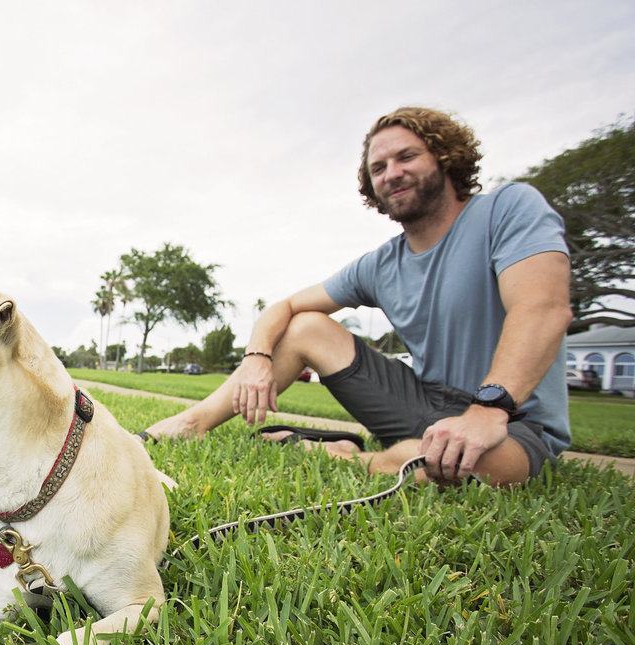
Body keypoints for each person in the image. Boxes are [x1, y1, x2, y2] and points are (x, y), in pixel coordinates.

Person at [143, 107, 573, 486]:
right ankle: (192, 422)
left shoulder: (508, 209)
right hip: (423, 404)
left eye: (406, 156)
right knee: (305, 325)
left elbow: (543, 308)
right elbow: (287, 307)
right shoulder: (382, 263)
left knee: (471, 467)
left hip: (513, 419)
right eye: (379, 167)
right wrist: (258, 356)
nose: (392, 173)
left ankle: (348, 455)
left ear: (445, 157)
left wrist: (488, 411)